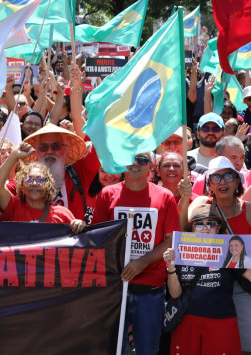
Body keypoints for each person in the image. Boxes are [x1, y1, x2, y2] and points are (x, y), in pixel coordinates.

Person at [92, 151, 179, 355]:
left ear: (151, 166)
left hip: (150, 289)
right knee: (113, 348)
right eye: (129, 159)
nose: (135, 164)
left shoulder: (165, 196)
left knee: (147, 349)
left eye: (142, 160)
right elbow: (97, 236)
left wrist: (142, 262)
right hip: (114, 286)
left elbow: (171, 239)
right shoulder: (107, 194)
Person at [162, 204, 251, 355]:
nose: (205, 228)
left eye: (211, 223)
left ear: (218, 228)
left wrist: (244, 258)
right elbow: (175, 294)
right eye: (199, 224)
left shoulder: (229, 250)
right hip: (187, 321)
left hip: (220, 321)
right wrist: (170, 266)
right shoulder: (180, 251)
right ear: (192, 229)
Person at [0, 143, 85, 231]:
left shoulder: (63, 214)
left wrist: (80, 225)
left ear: (48, 185)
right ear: (21, 186)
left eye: (40, 180)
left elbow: (77, 238)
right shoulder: (14, 208)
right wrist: (15, 155)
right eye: (29, 179)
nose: (34, 183)